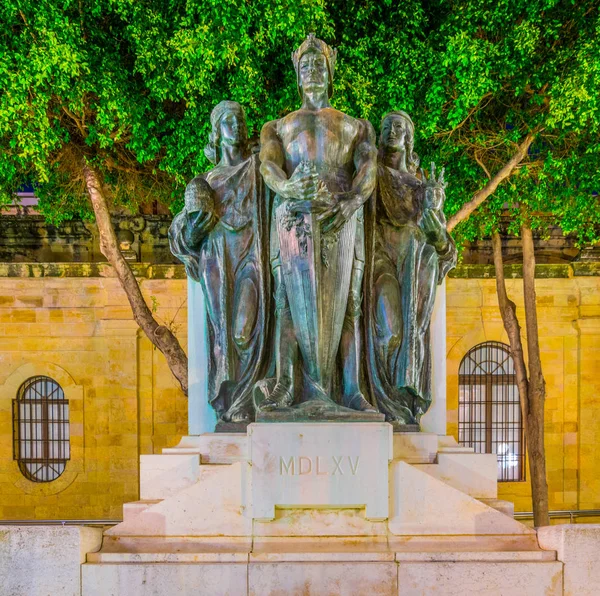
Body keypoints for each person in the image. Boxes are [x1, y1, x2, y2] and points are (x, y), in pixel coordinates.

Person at [256, 34, 377, 413]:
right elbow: (268, 165)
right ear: (297, 74)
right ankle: (286, 384)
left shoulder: (355, 126)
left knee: (350, 305)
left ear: (330, 71)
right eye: (305, 65)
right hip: (292, 218)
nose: (312, 71)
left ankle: (352, 389)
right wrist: (287, 186)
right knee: (286, 303)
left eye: (318, 64)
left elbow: (368, 166)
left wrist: (353, 201)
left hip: (341, 217)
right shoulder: (277, 126)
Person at [169, 100, 271, 425]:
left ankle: (255, 396)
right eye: (227, 121)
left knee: (245, 330)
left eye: (239, 120)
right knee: (224, 334)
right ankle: (233, 406)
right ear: (216, 131)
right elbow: (180, 233)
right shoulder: (205, 182)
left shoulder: (261, 169)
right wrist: (191, 232)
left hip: (252, 259)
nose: (235, 126)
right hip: (218, 262)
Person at [365, 110, 457, 425]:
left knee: (406, 331)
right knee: (389, 331)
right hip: (378, 262)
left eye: (399, 126)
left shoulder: (421, 191)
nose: (392, 130)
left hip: (411, 267)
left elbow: (445, 248)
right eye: (387, 125)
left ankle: (399, 406)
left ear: (408, 138)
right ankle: (381, 400)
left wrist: (440, 239)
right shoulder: (370, 175)